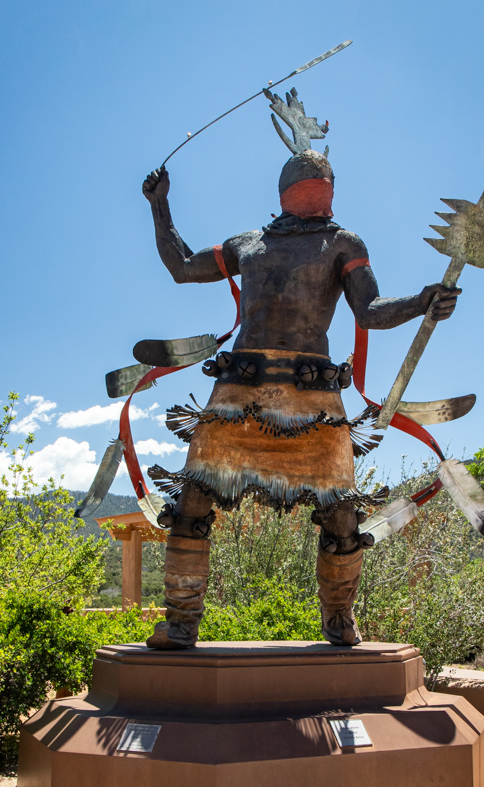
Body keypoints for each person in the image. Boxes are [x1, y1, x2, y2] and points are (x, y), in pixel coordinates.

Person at [141, 91, 460, 650]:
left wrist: (422, 301)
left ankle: (338, 618)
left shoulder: (344, 243)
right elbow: (181, 267)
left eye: (323, 177)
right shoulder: (248, 243)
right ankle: (181, 620)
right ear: (287, 189)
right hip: (241, 387)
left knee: (340, 512)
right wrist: (159, 205)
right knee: (193, 501)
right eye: (307, 177)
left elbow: (371, 311)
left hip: (314, 397)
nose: (316, 181)